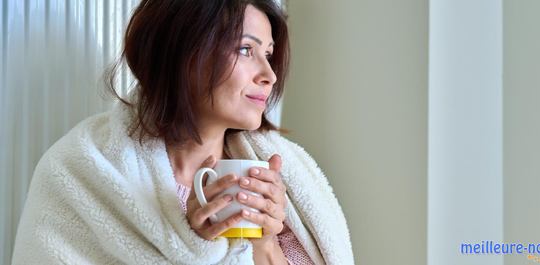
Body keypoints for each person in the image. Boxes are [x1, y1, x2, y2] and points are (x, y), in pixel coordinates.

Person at [12, 0, 353, 264]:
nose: (269, 75)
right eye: (246, 50)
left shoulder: (286, 180)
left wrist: (265, 243)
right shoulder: (81, 171)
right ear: (185, 52)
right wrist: (195, 246)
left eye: (267, 54)